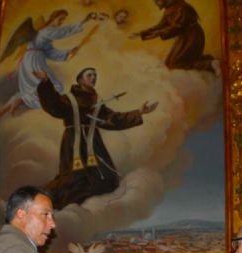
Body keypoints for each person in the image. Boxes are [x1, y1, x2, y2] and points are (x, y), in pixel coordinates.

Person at [34, 67, 158, 210]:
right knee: (74, 180)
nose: (93, 78)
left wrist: (140, 112)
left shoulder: (97, 103)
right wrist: (45, 81)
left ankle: (88, 210)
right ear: (80, 80)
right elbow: (54, 104)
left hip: (93, 144)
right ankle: (56, 205)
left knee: (105, 178)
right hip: (74, 144)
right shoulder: (69, 99)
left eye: (95, 75)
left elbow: (113, 119)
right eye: (89, 75)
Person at [0, 10, 97, 120]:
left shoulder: (44, 34)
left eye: (63, 20)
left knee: (42, 88)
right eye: (60, 19)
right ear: (53, 18)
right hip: (33, 61)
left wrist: (68, 52)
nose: (61, 22)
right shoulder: (47, 31)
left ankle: (5, 109)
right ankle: (15, 104)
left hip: (34, 59)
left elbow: (49, 52)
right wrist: (84, 21)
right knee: (48, 87)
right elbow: (64, 32)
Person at [130, 0, 215, 72]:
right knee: (171, 63)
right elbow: (160, 26)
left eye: (157, 0)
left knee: (176, 63)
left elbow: (178, 26)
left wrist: (159, 33)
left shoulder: (181, 6)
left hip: (192, 36)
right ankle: (209, 61)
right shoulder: (170, 8)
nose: (156, 3)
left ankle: (209, 64)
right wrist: (141, 33)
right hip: (185, 36)